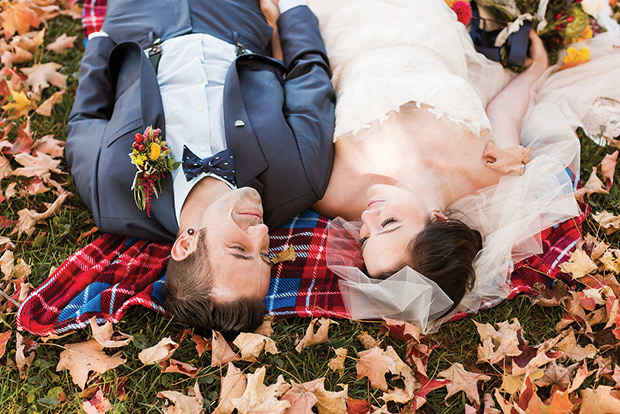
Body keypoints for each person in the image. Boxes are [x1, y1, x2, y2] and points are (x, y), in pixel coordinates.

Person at [303, 0, 620, 331]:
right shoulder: (490, 172)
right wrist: (536, 67)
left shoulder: (334, 191)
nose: (367, 217)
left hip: (345, 28)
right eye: (390, 223)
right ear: (438, 219)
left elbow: (302, 101)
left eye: (365, 239)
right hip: (427, 26)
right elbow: (505, 111)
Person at [65, 0, 335, 339]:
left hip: (140, 19)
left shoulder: (111, 194)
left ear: (184, 246)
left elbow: (85, 119)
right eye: (265, 254)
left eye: (239, 249)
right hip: (234, 17)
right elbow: (308, 77)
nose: (262, 234)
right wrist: (293, 10)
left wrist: (102, 39)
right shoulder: (301, 178)